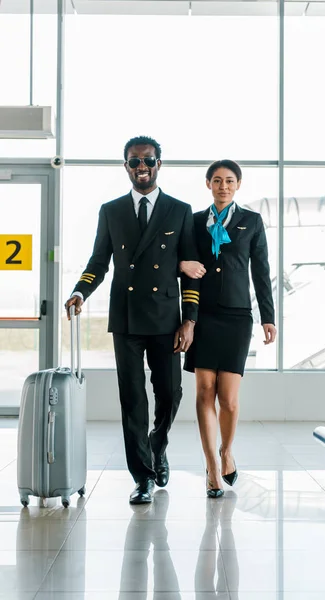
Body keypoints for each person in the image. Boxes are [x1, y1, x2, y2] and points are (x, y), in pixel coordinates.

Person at [65, 136, 200, 505]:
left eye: (148, 160)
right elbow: (98, 262)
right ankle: (142, 476)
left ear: (159, 164)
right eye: (134, 162)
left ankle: (158, 442)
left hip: (167, 318)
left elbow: (190, 270)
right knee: (133, 400)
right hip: (125, 318)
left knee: (170, 393)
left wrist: (189, 320)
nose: (142, 167)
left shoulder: (179, 210)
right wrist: (80, 291)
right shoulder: (111, 211)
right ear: (126, 167)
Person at [180, 159, 276, 498]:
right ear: (208, 184)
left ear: (238, 185)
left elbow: (261, 271)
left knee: (229, 400)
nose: (223, 186)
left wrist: (269, 316)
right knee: (204, 392)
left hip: (237, 316)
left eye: (229, 181)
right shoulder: (192, 223)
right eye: (217, 180)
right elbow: (182, 265)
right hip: (202, 314)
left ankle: (225, 453)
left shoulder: (251, 221)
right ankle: (211, 468)